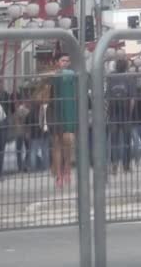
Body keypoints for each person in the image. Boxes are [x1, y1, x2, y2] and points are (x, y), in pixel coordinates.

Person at [48, 53, 77, 188]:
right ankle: (59, 174)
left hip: (68, 111)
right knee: (57, 143)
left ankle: (67, 168)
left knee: (68, 140)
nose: (65, 63)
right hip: (54, 112)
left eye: (67, 60)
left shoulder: (71, 76)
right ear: (57, 62)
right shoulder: (51, 76)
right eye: (62, 60)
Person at [106, 59, 135, 174]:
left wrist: (108, 111)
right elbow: (132, 99)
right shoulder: (129, 78)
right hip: (125, 113)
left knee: (114, 141)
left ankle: (114, 164)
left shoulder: (111, 78)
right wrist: (130, 112)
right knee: (127, 140)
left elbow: (107, 97)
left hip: (113, 113)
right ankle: (126, 165)